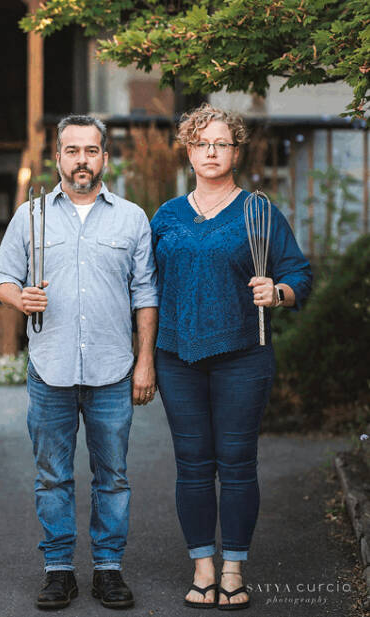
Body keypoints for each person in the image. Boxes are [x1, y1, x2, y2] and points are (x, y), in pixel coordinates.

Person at [0, 114, 158, 610]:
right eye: (72, 150)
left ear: (105, 156)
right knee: (52, 477)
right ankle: (59, 569)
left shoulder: (132, 218)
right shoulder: (31, 215)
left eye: (91, 150)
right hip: (50, 368)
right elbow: (0, 277)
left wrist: (145, 361)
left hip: (112, 369)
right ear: (57, 156)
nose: (81, 160)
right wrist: (18, 297)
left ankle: (108, 569)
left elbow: (146, 294)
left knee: (113, 477)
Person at [150, 103, 312, 611]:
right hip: (176, 356)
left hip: (244, 354)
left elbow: (299, 274)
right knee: (193, 466)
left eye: (222, 143)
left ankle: (233, 570)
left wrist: (278, 292)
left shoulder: (259, 213)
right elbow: (145, 287)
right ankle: (203, 569)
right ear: (188, 151)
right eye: (201, 143)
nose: (211, 152)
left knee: (238, 465)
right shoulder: (166, 216)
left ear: (236, 151)